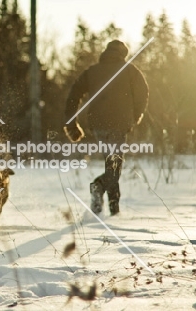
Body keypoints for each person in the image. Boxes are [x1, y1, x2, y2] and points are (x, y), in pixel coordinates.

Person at [64, 40, 149, 216]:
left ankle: (112, 212)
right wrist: (136, 116)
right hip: (119, 125)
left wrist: (72, 124)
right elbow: (143, 92)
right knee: (114, 168)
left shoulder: (92, 72)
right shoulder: (130, 70)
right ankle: (98, 186)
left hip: (98, 126)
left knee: (111, 165)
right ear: (122, 54)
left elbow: (74, 94)